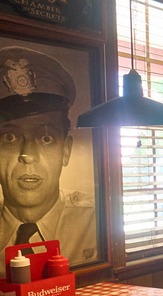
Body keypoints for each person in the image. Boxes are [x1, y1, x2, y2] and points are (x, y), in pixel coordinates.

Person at [0, 46, 96, 276]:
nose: (28, 155)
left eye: (45, 138)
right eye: (9, 137)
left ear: (66, 151)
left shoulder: (94, 221)